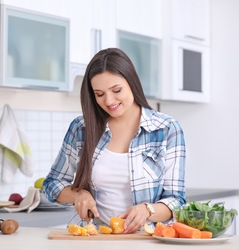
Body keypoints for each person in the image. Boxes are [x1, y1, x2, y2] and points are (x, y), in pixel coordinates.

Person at [43, 48, 186, 234]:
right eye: (99, 94)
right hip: (96, 238)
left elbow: (177, 201)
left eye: (116, 90)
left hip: (148, 240)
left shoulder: (167, 129)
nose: (109, 101)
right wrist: (79, 194)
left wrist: (147, 210)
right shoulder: (81, 128)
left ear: (132, 83)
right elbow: (52, 183)